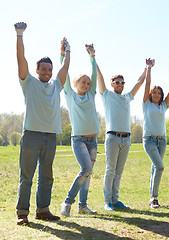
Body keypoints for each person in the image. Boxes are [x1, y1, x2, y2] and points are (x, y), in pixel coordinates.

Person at [14, 22, 70, 225]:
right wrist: (20, 35)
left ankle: (43, 210)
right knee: (26, 176)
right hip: (31, 135)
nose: (47, 72)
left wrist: (67, 51)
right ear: (37, 70)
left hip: (51, 136)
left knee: (47, 176)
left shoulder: (56, 86)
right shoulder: (29, 82)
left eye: (49, 70)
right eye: (44, 69)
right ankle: (22, 214)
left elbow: (65, 68)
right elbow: (21, 59)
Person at [98, 59, 147, 211]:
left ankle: (115, 200)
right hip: (113, 137)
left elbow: (139, 82)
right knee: (110, 169)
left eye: (122, 83)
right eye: (117, 82)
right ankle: (107, 202)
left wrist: (147, 67)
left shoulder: (127, 97)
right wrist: (93, 58)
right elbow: (99, 77)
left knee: (118, 172)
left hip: (126, 139)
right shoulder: (107, 95)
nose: (120, 85)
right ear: (112, 84)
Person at [60, 44, 99, 216]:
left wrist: (92, 57)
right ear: (76, 83)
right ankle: (67, 202)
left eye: (88, 83)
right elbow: (65, 74)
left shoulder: (91, 94)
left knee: (88, 174)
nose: (86, 84)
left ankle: (83, 206)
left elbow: (95, 76)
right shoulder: (70, 94)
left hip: (93, 140)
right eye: (83, 82)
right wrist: (63, 55)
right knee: (86, 170)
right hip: (79, 139)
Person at [143, 60, 169, 208]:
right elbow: (146, 83)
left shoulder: (164, 106)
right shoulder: (146, 104)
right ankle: (154, 198)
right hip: (149, 140)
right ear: (150, 94)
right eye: (154, 92)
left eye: (159, 93)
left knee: (155, 168)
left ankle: (151, 196)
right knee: (160, 167)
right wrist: (149, 69)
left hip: (162, 141)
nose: (156, 94)